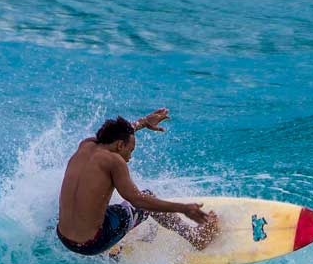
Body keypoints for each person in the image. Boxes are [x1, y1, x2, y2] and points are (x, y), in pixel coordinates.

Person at [56, 108, 218, 256]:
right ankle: (196, 238)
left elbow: (112, 136)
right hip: (92, 244)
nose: (130, 157)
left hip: (64, 238)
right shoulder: (114, 161)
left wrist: (143, 122)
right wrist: (184, 208)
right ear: (120, 145)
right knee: (147, 197)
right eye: (130, 150)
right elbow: (138, 200)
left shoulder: (86, 145)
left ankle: (110, 245)